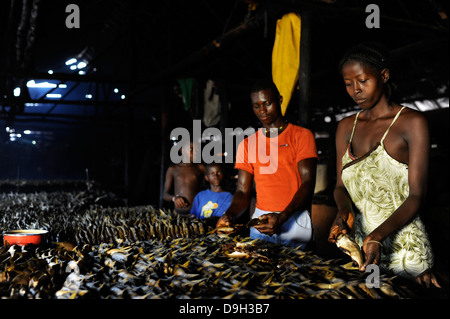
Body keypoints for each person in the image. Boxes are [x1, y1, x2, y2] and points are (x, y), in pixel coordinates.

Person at [328, 42, 440, 288]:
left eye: (362, 80)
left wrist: (377, 236)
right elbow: (339, 186)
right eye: (348, 84)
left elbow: (416, 196)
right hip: (361, 251)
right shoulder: (346, 126)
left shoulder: (412, 123)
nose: (355, 90)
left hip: (405, 251)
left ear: (384, 75)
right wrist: (343, 211)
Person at [216, 79, 318, 249]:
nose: (262, 110)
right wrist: (229, 214)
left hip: (294, 218)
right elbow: (242, 191)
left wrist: (283, 216)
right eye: (256, 106)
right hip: (260, 221)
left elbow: (308, 183)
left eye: (267, 103)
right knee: (261, 272)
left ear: (279, 100)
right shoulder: (247, 144)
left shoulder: (301, 136)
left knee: (298, 273)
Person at [163, 140, 206, 215]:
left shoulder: (200, 168)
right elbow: (164, 194)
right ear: (182, 150)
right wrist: (174, 198)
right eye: (191, 149)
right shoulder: (173, 169)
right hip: (177, 215)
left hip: (196, 214)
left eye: (197, 150)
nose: (195, 152)